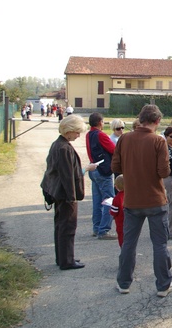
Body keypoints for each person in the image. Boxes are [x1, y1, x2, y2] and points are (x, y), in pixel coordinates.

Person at [112, 104, 172, 297]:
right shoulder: (158, 141)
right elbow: (163, 172)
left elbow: (116, 166)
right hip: (155, 199)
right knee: (160, 244)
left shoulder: (124, 138)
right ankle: (163, 285)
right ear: (156, 121)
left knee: (129, 243)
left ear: (141, 118)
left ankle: (123, 283)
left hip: (132, 199)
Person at [40, 114, 97, 270]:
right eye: (77, 132)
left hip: (57, 192)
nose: (78, 135)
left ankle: (63, 257)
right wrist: (72, 198)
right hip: (65, 194)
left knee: (60, 225)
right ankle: (67, 260)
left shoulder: (57, 144)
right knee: (68, 226)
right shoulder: (64, 148)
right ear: (69, 130)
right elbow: (67, 176)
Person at [86, 112, 117, 240]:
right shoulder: (101, 135)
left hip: (93, 168)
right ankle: (104, 229)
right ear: (100, 122)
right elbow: (114, 149)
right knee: (109, 199)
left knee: (97, 200)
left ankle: (96, 227)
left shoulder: (89, 134)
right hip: (103, 170)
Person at [110, 175, 125, 247]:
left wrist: (111, 212)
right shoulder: (129, 195)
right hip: (130, 221)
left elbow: (114, 211)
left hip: (120, 222)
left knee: (121, 238)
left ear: (116, 186)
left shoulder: (117, 198)